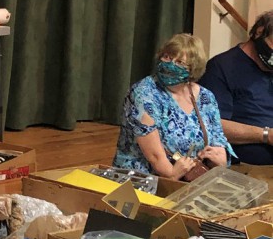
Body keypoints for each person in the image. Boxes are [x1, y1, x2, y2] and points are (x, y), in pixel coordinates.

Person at [113, 33, 233, 179]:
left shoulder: (206, 97)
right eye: (167, 57)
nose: (170, 65)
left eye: (180, 62)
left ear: (193, 69)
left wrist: (219, 159)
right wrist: (173, 174)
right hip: (145, 177)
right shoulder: (143, 93)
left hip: (193, 176)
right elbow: (155, 157)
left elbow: (218, 140)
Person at [199, 10, 273, 167]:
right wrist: (266, 135)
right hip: (246, 168)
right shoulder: (222, 67)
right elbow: (211, 125)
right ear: (259, 33)